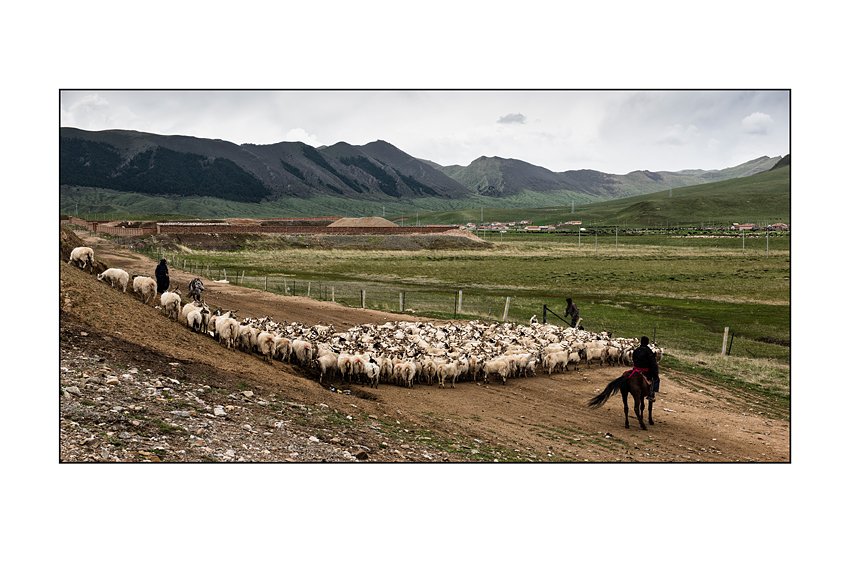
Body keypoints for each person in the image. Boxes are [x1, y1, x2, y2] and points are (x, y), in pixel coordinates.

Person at [632, 336, 660, 402]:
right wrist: (654, 372)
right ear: (647, 343)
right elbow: (652, 363)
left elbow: (633, 359)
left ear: (641, 342)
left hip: (635, 369)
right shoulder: (648, 351)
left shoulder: (636, 350)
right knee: (656, 379)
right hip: (645, 370)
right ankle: (651, 394)